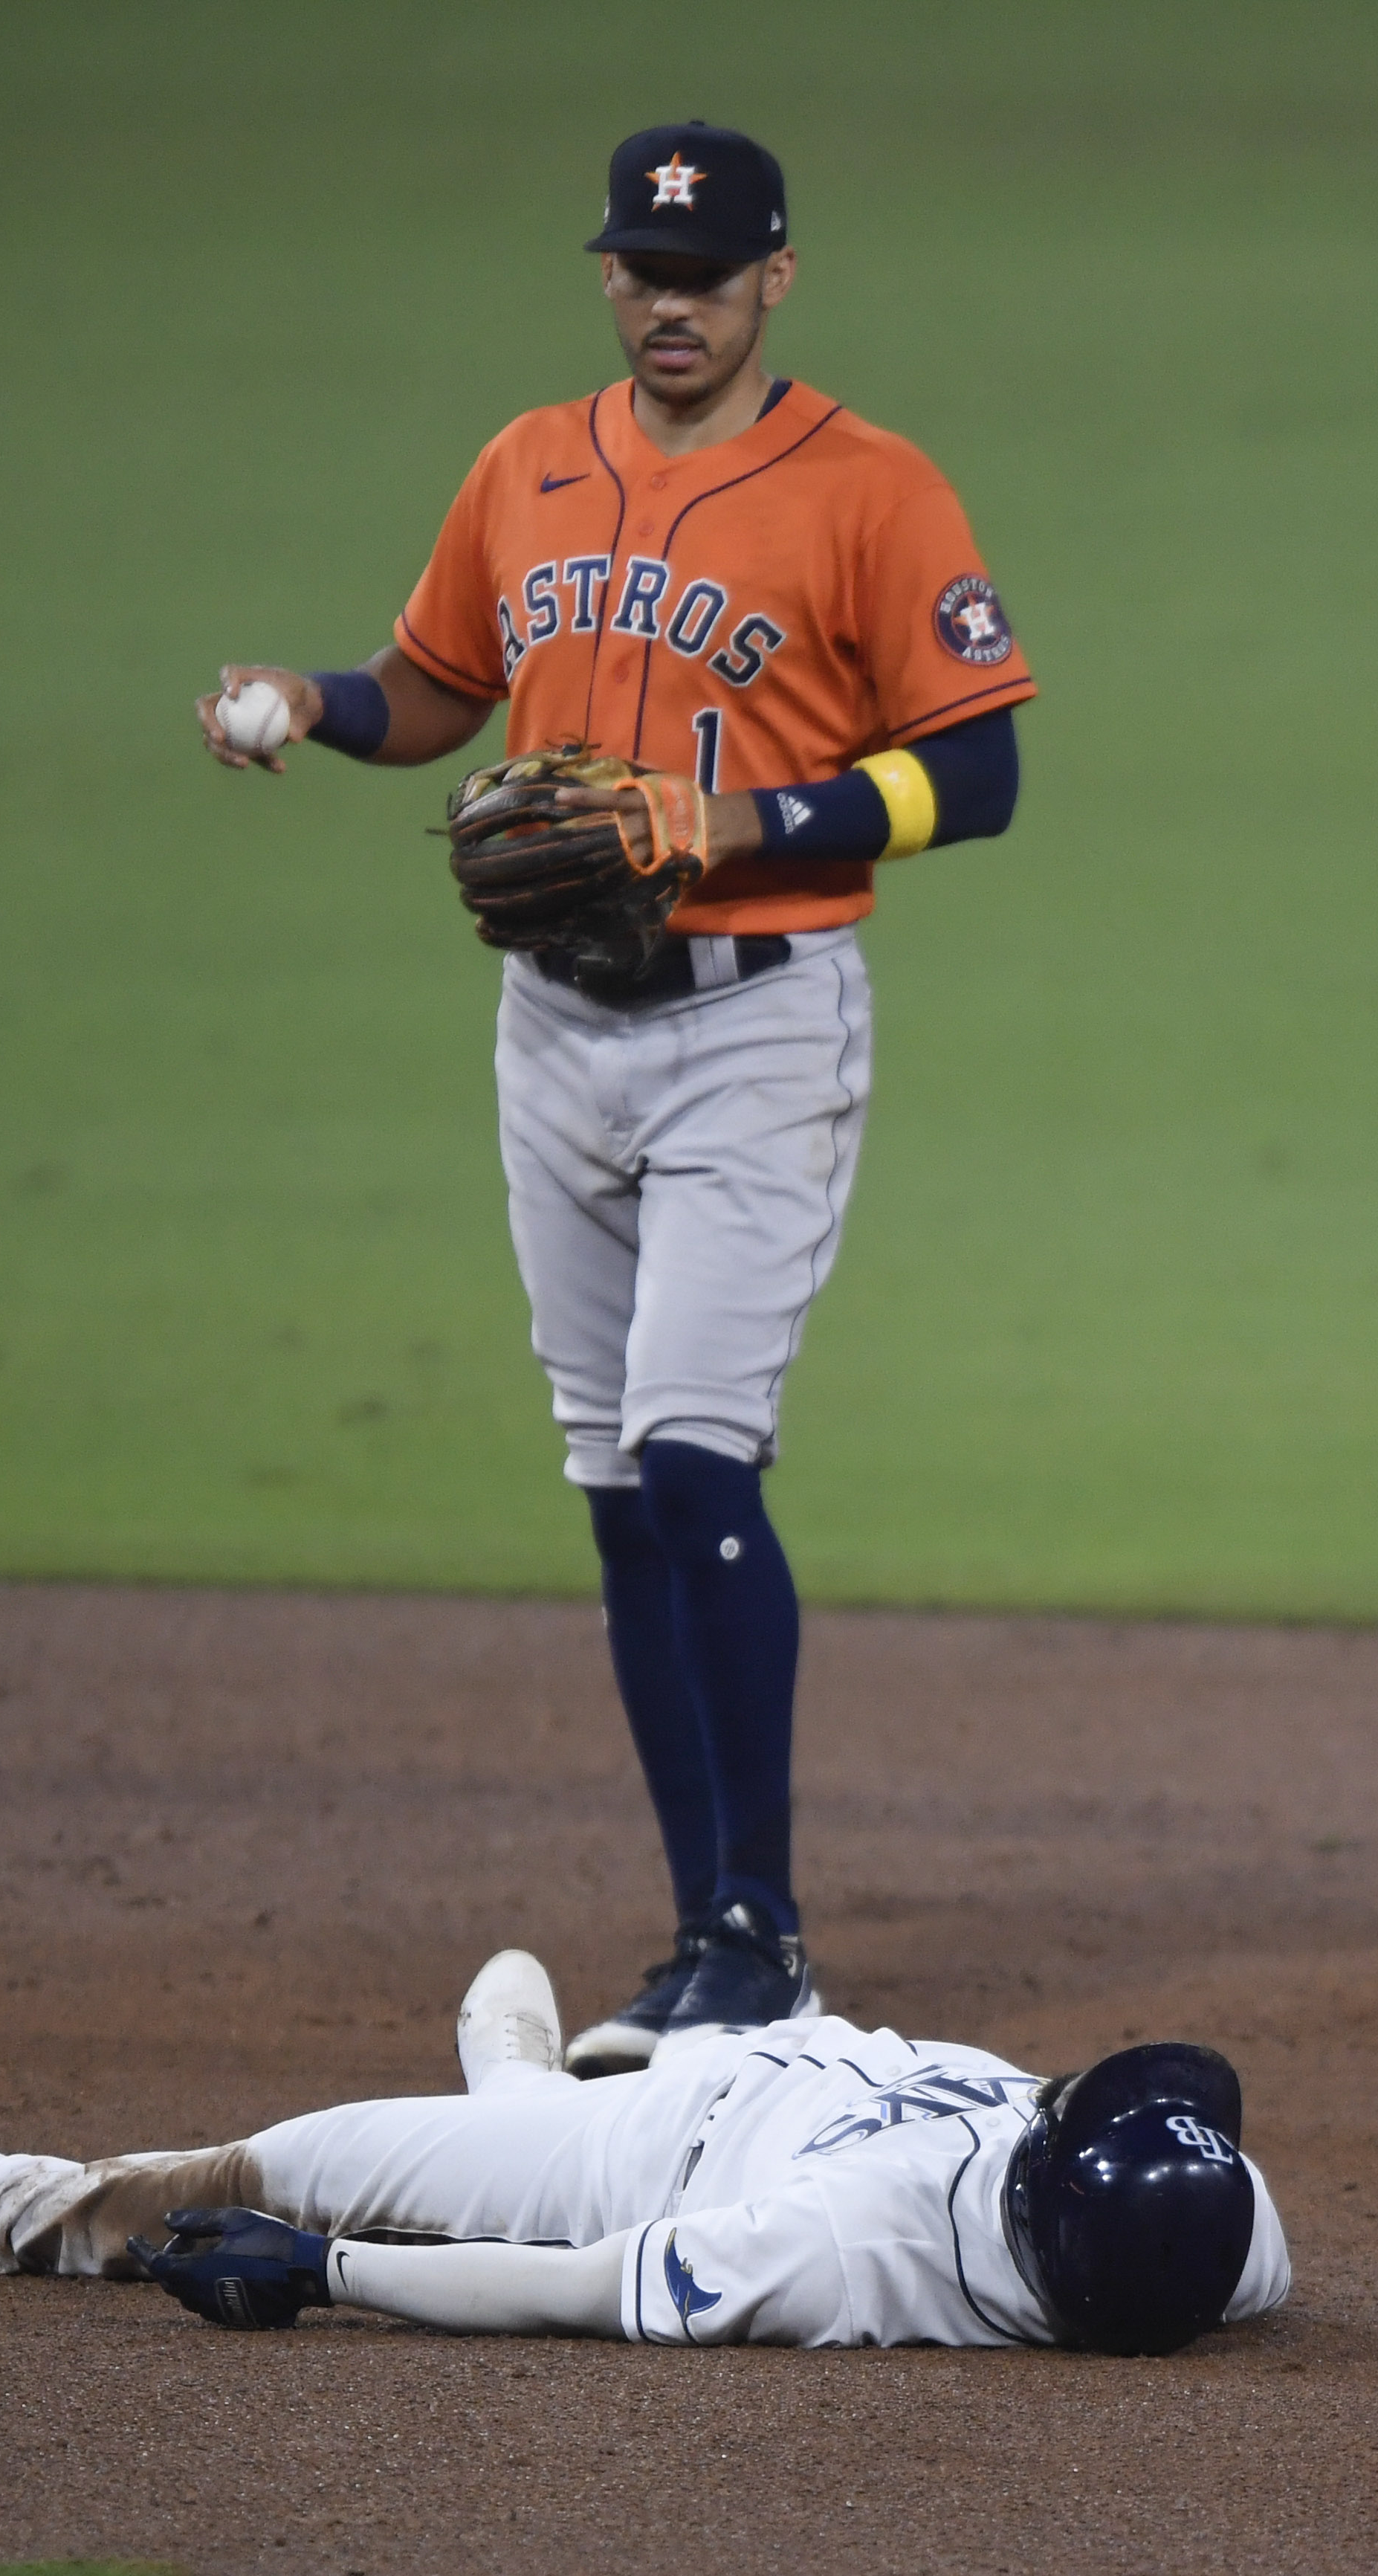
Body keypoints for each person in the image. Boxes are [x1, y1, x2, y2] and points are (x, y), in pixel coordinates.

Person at [189, 125, 1037, 2062]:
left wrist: (741, 815)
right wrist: (316, 707)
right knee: (611, 1492)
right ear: (608, 279)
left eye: (711, 274)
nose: (674, 305)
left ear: (775, 280)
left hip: (759, 1020)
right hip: (552, 1035)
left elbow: (977, 773)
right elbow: (434, 685)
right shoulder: (524, 466)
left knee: (690, 1452)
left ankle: (760, 1930)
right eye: (646, 273)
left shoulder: (873, 490)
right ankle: (698, 1937)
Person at [0, 1949, 1285, 2354]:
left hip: (631, 2155)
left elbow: (590, 2281)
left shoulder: (843, 2255)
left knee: (287, 2157)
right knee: (530, 2097)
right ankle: (513, 2084)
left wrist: (334, 2270)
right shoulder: (1224, 2229)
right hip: (756, 2054)